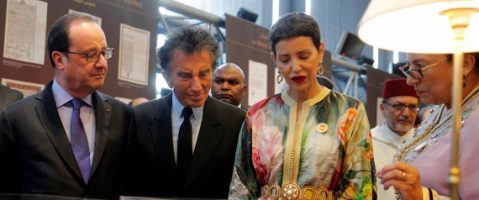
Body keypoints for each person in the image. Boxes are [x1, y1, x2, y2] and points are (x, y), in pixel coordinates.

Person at [228, 12, 375, 199]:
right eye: (285, 59)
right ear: (274, 59)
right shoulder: (258, 115)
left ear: (320, 52)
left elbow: (360, 185)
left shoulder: (349, 112)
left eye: (304, 56)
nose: (295, 67)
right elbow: (241, 184)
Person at [0, 13, 134, 199]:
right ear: (59, 59)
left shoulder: (123, 116)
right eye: (90, 55)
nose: (102, 64)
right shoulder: (17, 118)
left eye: (104, 53)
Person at [124, 27, 246, 199]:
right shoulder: (140, 118)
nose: (196, 87)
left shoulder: (236, 122)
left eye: (204, 74)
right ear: (167, 77)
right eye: (185, 76)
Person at [377, 52, 479, 199]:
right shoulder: (441, 110)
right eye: (408, 67)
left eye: (420, 67)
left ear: (464, 64)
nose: (410, 81)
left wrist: (423, 196)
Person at [371, 79, 419, 199]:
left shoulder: (425, 142)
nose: (406, 113)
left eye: (412, 107)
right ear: (382, 109)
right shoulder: (368, 141)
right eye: (399, 106)